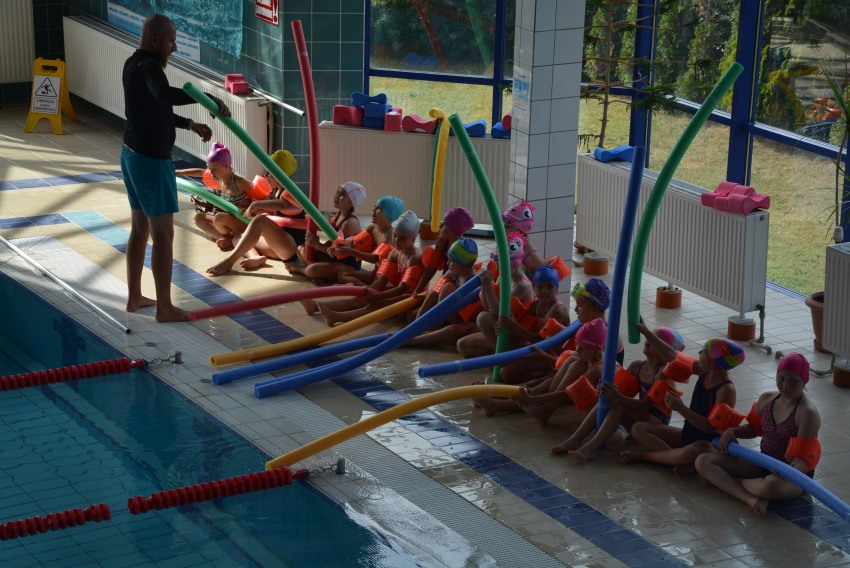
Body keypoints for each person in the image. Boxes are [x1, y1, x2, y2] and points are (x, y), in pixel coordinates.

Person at [121, 13, 230, 322]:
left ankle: (134, 298)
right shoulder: (152, 67)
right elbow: (164, 94)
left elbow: (152, 109)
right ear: (155, 40)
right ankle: (165, 308)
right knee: (164, 235)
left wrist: (188, 124)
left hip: (130, 155)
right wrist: (205, 98)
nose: (175, 47)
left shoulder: (133, 63)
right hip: (151, 163)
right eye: (171, 41)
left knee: (140, 229)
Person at [694, 353, 821, 516]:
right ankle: (749, 498)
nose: (786, 385)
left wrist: (787, 470)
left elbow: (802, 461)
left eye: (794, 380)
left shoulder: (807, 413)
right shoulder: (767, 400)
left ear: (804, 381)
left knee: (770, 487)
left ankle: (729, 480)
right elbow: (754, 429)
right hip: (764, 461)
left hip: (793, 476)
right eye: (781, 378)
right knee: (703, 461)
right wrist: (732, 431)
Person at [551, 321, 684, 460]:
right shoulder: (637, 366)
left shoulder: (663, 375)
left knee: (618, 406)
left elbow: (644, 405)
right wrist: (604, 390)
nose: (648, 339)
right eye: (650, 335)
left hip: (656, 422)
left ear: (664, 350)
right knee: (606, 400)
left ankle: (591, 447)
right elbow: (617, 389)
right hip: (640, 416)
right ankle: (575, 439)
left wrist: (618, 397)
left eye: (655, 339)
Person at [621, 338, 743, 475]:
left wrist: (680, 408)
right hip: (688, 434)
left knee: (691, 451)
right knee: (638, 428)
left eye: (704, 352)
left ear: (714, 361)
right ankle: (677, 460)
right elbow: (673, 356)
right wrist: (645, 331)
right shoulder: (704, 372)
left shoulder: (726, 389)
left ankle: (646, 457)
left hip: (708, 443)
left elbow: (709, 427)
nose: (699, 352)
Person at [474, 318, 607, 422]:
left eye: (582, 348)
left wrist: (533, 399)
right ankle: (496, 395)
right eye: (577, 345)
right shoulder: (585, 356)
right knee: (568, 365)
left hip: (586, 401)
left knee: (534, 391)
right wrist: (532, 392)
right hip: (565, 388)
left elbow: (566, 393)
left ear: (596, 350)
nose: (577, 350)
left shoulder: (597, 368)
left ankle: (498, 405)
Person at [314, 210, 424, 325]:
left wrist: (376, 296)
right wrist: (369, 290)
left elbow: (402, 289)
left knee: (375, 304)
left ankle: (337, 317)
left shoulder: (414, 258)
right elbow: (382, 279)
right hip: (397, 291)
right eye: (395, 236)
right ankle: (315, 306)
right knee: (363, 298)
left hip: (412, 296)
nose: (396, 241)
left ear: (414, 238)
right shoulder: (394, 253)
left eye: (402, 238)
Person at [457, 265, 569, 359]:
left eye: (549, 287)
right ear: (535, 288)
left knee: (506, 373)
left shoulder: (558, 311)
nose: (544, 291)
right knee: (462, 345)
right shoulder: (536, 305)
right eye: (540, 287)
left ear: (557, 289)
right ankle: (503, 356)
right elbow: (523, 330)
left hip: (548, 352)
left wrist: (512, 324)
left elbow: (540, 341)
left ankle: (503, 358)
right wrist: (501, 326)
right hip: (531, 343)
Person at [176, 141, 256, 251]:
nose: (211, 172)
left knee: (219, 217)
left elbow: (263, 198)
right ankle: (224, 238)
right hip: (227, 221)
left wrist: (250, 209)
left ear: (227, 166)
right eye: (209, 168)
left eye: (214, 168)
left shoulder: (240, 183)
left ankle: (233, 238)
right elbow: (201, 172)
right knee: (199, 218)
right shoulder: (220, 179)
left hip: (243, 223)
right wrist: (178, 172)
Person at [404, 238, 481, 347]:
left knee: (448, 288)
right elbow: (435, 291)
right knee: (412, 315)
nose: (447, 263)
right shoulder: (455, 271)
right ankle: (417, 329)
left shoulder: (472, 283)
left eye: (451, 260)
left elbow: (460, 317)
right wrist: (417, 322)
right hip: (449, 312)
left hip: (466, 320)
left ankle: (416, 338)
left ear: (462, 265)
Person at [286, 182, 366, 284]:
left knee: (313, 269)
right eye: (337, 192)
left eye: (342, 195)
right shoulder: (339, 214)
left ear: (351, 202)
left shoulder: (350, 223)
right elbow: (331, 238)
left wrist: (316, 244)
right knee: (300, 249)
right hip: (333, 258)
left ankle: (302, 270)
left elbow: (338, 252)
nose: (336, 196)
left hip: (347, 265)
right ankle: (323, 275)